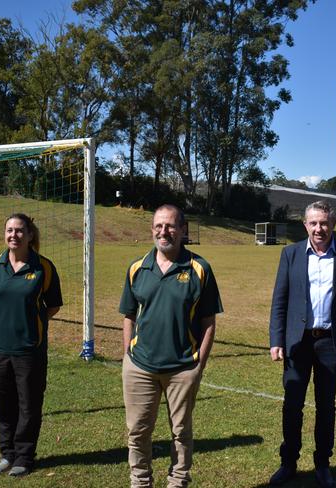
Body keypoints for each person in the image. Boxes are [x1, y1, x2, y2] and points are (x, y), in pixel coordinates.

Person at [119, 204, 223, 488]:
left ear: (182, 230)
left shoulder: (199, 268)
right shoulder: (138, 268)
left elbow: (208, 322)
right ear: (152, 229)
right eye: (159, 226)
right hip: (140, 367)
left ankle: (177, 482)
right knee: (138, 432)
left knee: (180, 432)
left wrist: (198, 365)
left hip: (182, 368)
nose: (164, 231)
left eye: (171, 226)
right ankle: (140, 482)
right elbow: (129, 314)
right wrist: (128, 354)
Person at [268, 200, 336, 488]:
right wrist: (276, 340)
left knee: (326, 407)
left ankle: (323, 464)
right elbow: (279, 300)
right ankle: (288, 463)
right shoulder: (291, 254)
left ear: (332, 224)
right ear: (305, 225)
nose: (319, 228)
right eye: (314, 223)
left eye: (324, 222)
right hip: (298, 343)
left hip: (330, 344)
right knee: (292, 404)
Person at [0, 213, 62, 477]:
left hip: (30, 350)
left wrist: (31, 323)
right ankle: (7, 454)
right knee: (2, 405)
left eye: (19, 231)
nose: (13, 235)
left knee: (28, 406)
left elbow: (53, 306)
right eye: (9, 230)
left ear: (29, 235)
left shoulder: (44, 268)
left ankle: (24, 457)